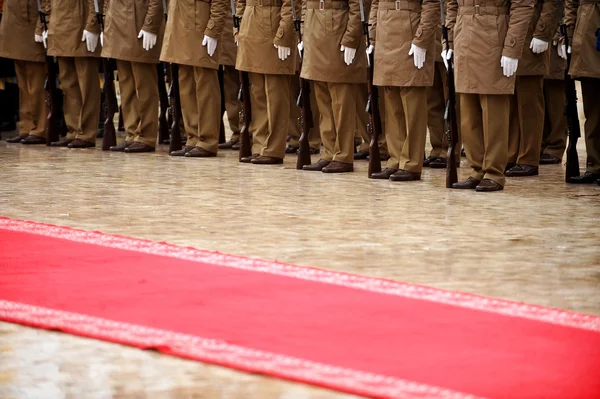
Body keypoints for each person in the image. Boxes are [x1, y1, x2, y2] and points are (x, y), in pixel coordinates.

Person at [446, 0, 534, 191]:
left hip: (495, 35)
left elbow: (522, 7)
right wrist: (451, 41)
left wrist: (512, 48)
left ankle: (494, 172)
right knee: (469, 114)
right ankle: (476, 169)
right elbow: (452, 5)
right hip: (464, 34)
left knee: (494, 112)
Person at [368, 0, 440, 181]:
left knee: (412, 101)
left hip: (410, 30)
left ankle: (411, 163)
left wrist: (421, 39)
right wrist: (372, 34)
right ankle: (395, 159)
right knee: (392, 103)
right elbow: (376, 3)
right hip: (385, 32)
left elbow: (431, 5)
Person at [300, 0, 366, 173]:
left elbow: (357, 7)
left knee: (341, 102)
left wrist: (351, 39)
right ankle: (329, 152)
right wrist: (303, 33)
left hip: (338, 32)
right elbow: (304, 5)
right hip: (314, 33)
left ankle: (343, 155)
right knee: (323, 102)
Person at [162, 0, 227, 158]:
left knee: (205, 87)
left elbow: (220, 3)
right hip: (180, 25)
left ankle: (207, 140)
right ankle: (193, 137)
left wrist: (213, 29)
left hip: (201, 25)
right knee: (186, 86)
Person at [235, 0, 297, 164]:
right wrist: (239, 28)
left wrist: (284, 35)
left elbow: (290, 4)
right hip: (250, 28)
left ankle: (274, 149)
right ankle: (259, 145)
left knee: (275, 95)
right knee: (258, 94)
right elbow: (240, 2)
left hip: (273, 28)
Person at [101, 0, 165, 153]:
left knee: (144, 86)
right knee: (126, 85)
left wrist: (151, 25)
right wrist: (106, 23)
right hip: (117, 25)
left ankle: (146, 136)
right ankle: (132, 133)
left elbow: (156, 2)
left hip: (138, 25)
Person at [506, 0, 561, 177]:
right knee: (511, 103)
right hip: (508, 36)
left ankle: (528, 158)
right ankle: (512, 154)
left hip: (531, 36)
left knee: (529, 103)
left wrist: (543, 33)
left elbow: (553, 3)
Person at [41, 0, 101, 149]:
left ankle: (86, 133)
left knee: (87, 85)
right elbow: (47, 3)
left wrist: (92, 25)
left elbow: (95, 2)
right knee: (68, 84)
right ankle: (73, 130)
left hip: (81, 27)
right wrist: (47, 23)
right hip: (59, 27)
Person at [0, 0, 49, 144]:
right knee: (22, 83)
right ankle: (26, 126)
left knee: (36, 82)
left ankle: (40, 128)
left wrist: (42, 26)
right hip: (14, 22)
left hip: (31, 20)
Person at [565, 0, 600, 184]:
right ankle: (595, 166)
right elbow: (570, 5)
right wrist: (571, 37)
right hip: (586, 40)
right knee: (591, 110)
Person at [540, 24, 567, 165]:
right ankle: (541, 144)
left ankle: (555, 146)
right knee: (540, 94)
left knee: (556, 97)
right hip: (539, 35)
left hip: (555, 38)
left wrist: (560, 34)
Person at [218, 6, 243, 150]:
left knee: (246, 86)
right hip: (226, 27)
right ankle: (237, 131)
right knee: (230, 86)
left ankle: (249, 132)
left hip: (242, 22)